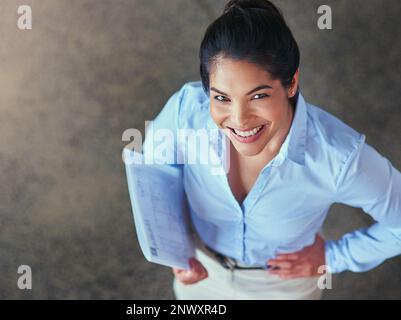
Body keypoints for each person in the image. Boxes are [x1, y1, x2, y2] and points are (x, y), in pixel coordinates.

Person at [142, 0, 401, 300]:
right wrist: (176, 247)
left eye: (258, 95)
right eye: (222, 98)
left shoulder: (339, 157)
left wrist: (332, 258)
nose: (239, 119)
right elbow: (154, 173)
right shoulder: (185, 111)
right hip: (201, 274)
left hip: (283, 289)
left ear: (291, 83)